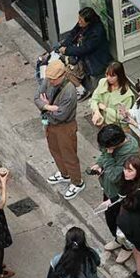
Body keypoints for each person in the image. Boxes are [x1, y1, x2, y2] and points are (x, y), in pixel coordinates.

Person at [35, 58, 83, 200]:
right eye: (49, 78)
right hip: (50, 123)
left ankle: (77, 182)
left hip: (65, 127)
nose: (49, 82)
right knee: (54, 150)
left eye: (53, 79)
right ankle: (64, 174)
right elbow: (36, 98)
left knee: (69, 155)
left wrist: (45, 107)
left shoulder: (70, 91)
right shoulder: (49, 79)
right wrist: (49, 107)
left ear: (62, 75)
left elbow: (61, 116)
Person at [40, 7, 111, 93]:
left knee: (65, 70)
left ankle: (81, 90)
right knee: (54, 53)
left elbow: (85, 49)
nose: (79, 22)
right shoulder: (82, 24)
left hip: (92, 59)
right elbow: (72, 34)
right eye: (79, 19)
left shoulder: (96, 33)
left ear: (88, 21)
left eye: (81, 20)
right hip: (80, 52)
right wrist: (64, 46)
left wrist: (67, 51)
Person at [90, 123, 139, 246]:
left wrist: (108, 155)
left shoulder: (129, 154)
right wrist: (99, 164)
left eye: (107, 148)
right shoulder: (115, 143)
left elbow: (114, 176)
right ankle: (118, 240)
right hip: (109, 190)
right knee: (110, 218)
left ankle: (126, 246)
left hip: (120, 194)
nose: (105, 150)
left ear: (114, 145)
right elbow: (104, 154)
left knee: (119, 221)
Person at [116, 156, 140, 278]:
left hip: (137, 228)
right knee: (136, 250)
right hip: (128, 226)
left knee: (139, 251)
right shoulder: (128, 183)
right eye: (125, 169)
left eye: (130, 170)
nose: (126, 172)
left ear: (138, 171)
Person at [89, 61, 134, 128]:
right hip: (101, 121)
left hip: (116, 126)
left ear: (120, 76)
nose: (108, 78)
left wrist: (105, 109)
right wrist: (96, 111)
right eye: (107, 75)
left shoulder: (127, 95)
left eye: (112, 76)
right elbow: (94, 99)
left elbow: (123, 116)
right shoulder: (103, 82)